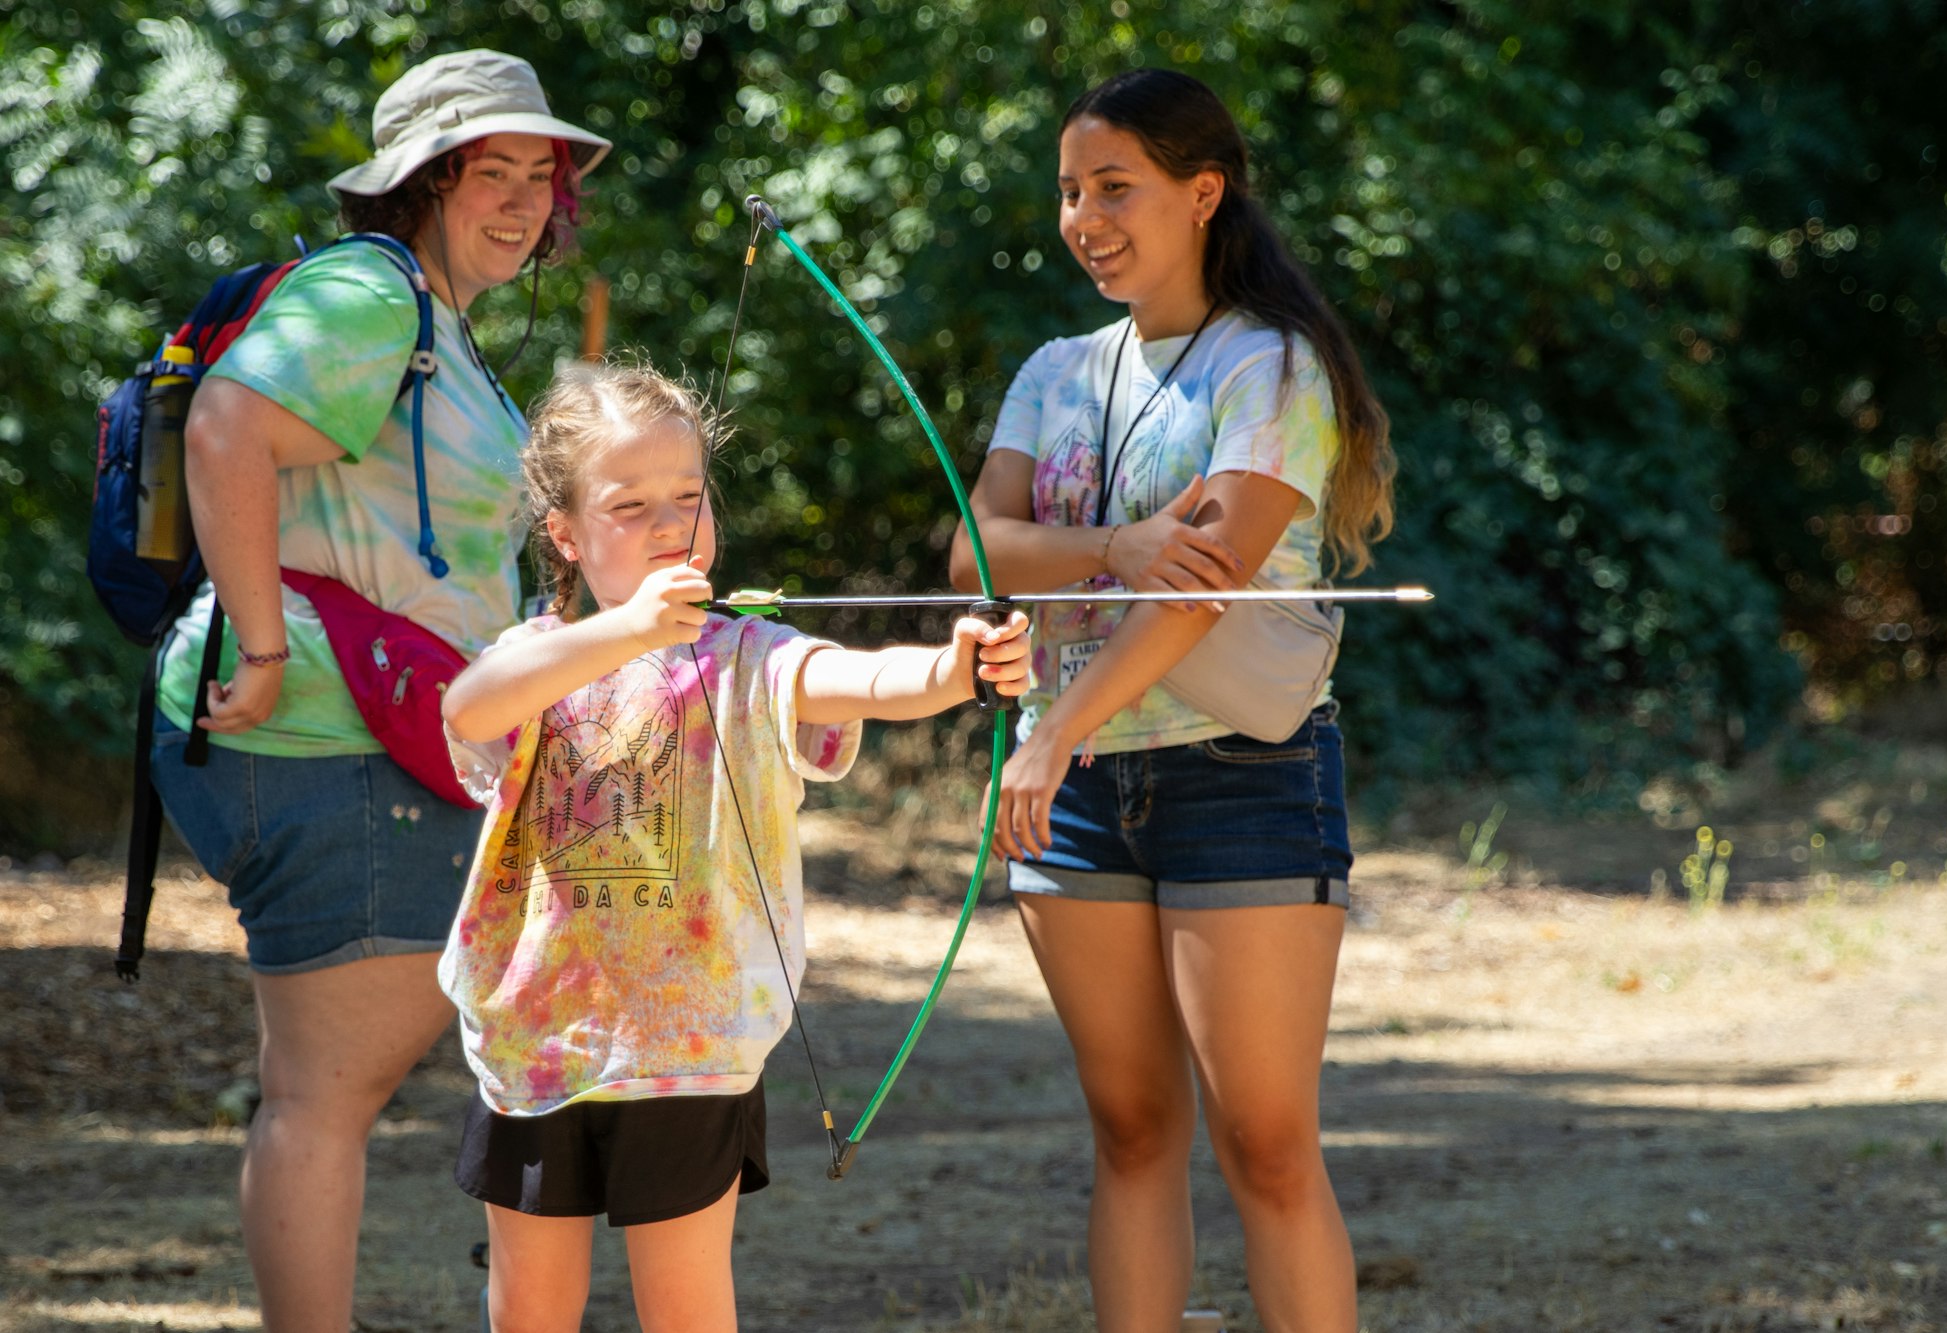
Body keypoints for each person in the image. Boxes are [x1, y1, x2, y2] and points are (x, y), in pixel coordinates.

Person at [148, 50, 610, 1332]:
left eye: (540, 175)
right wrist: (264, 646)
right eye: (486, 174)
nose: (520, 203)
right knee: (328, 1089)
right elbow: (227, 431)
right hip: (316, 733)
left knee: (321, 1080)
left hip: (365, 743)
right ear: (417, 184)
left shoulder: (435, 321)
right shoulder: (368, 293)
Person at [436, 359, 1032, 1331]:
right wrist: (626, 630)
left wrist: (956, 667)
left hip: (690, 1043)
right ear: (565, 533)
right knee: (529, 1307)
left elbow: (864, 680)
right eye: (628, 505)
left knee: (687, 1305)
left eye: (687, 495)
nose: (669, 524)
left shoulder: (745, 655)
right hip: (538, 1040)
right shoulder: (533, 659)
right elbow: (468, 708)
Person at [949, 68, 1396, 1333]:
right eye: (1068, 193)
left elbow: (1207, 586)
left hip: (1239, 779)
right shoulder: (1053, 368)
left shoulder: (1272, 367)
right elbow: (974, 547)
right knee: (1132, 1129)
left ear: (1201, 194)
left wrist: (1053, 727)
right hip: (1080, 795)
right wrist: (1115, 544)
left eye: (1114, 189)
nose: (1084, 217)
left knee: (1263, 1143)